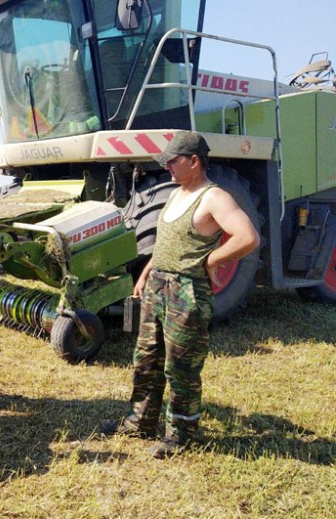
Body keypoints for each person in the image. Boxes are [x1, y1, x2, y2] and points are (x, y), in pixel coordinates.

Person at [100, 131, 260, 458]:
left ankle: (181, 433)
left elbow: (248, 237)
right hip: (158, 286)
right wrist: (146, 274)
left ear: (194, 161)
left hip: (186, 291)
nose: (168, 167)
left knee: (181, 367)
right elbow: (164, 243)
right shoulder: (176, 194)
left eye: (173, 161)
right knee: (146, 359)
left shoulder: (214, 197)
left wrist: (213, 259)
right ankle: (140, 421)